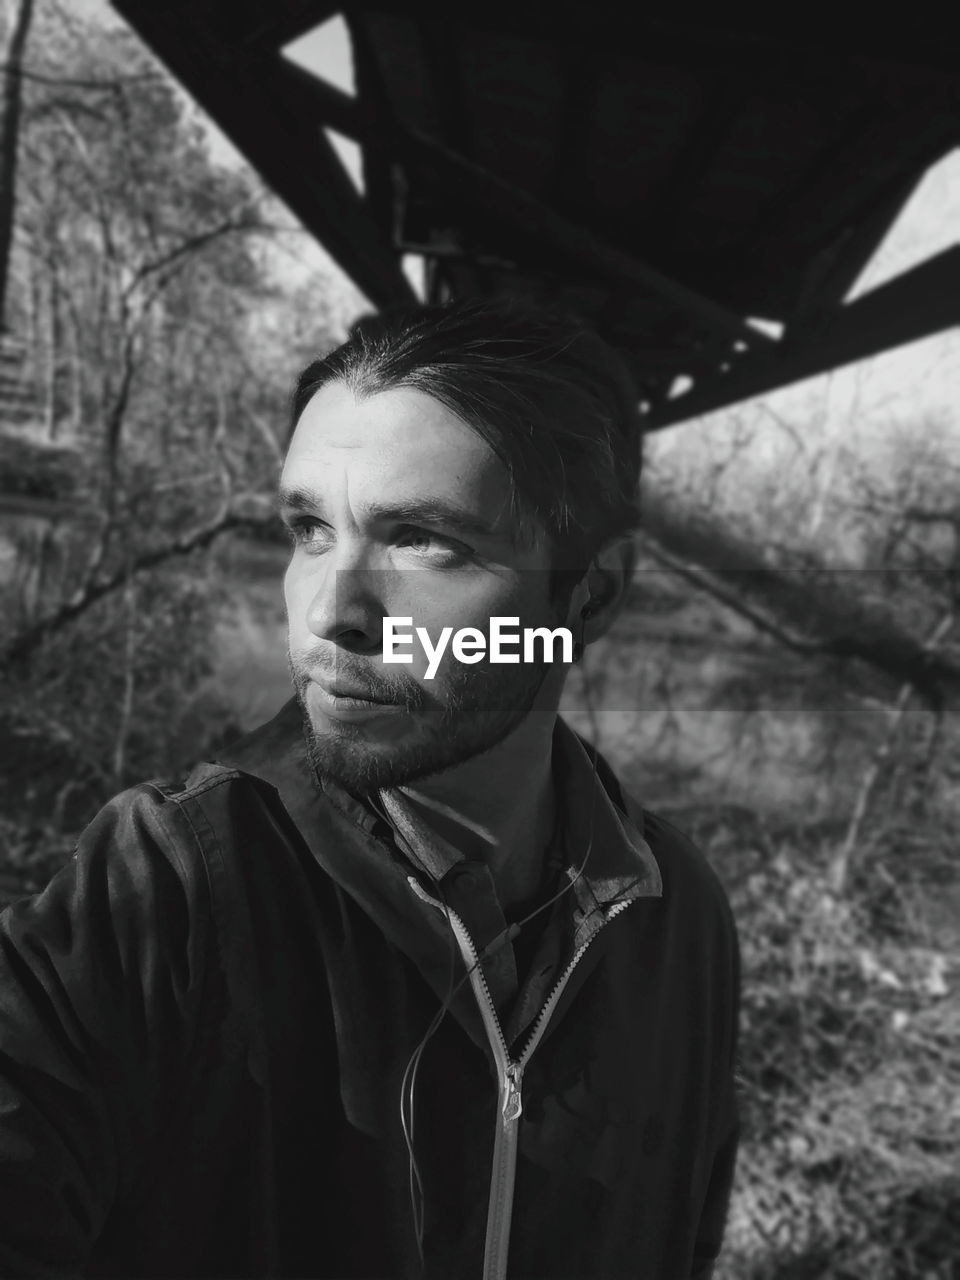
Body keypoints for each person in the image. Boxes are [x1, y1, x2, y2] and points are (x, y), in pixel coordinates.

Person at [0, 296, 740, 1279]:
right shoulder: (168, 884)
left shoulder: (677, 914)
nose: (329, 610)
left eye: (423, 538)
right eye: (309, 528)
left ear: (590, 593)